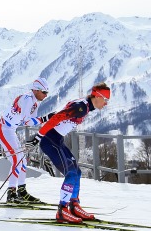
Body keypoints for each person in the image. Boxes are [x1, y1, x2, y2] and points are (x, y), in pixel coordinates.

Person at [30, 82, 111, 224]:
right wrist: (39, 136)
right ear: (97, 96)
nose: (106, 104)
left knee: (77, 172)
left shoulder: (84, 106)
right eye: (106, 99)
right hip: (49, 141)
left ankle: (74, 205)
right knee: (71, 173)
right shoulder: (81, 107)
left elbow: (60, 114)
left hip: (57, 140)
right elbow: (56, 118)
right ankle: (62, 210)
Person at [0, 77, 55, 203]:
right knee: (17, 160)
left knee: (22, 160)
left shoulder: (35, 100)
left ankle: (21, 191)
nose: (46, 96)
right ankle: (11, 193)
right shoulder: (28, 99)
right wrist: (46, 118)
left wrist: (46, 121)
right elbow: (27, 121)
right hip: (4, 130)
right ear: (37, 90)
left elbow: (32, 121)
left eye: (47, 93)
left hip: (10, 130)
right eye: (44, 92)